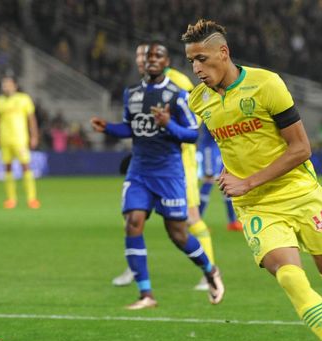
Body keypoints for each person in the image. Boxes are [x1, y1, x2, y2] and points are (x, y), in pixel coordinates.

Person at [182, 19, 322, 341]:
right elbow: (181, 134)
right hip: (257, 207)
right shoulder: (199, 100)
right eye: (191, 61)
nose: (196, 68)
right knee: (290, 277)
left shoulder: (267, 84)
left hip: (299, 193)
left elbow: (301, 147)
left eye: (202, 58)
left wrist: (248, 181)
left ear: (223, 53)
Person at [91, 41, 224, 310]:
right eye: (147, 56)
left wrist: (168, 123)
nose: (151, 60)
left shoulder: (178, 94)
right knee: (133, 222)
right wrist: (109, 128)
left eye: (158, 56)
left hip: (169, 172)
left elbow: (191, 134)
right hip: (139, 170)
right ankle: (146, 294)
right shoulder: (132, 93)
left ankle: (210, 270)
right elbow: (132, 128)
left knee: (177, 233)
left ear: (166, 63)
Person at [0, 76, 41, 209]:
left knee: (26, 166)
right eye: (4, 84)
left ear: (15, 86)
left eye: (8, 84)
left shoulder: (24, 99)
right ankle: (11, 199)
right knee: (7, 168)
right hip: (4, 140)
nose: (6, 87)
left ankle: (32, 199)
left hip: (20, 139)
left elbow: (31, 119)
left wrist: (34, 135)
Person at [198, 124, 243, 231]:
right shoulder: (210, 111)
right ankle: (197, 221)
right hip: (209, 149)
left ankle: (232, 222)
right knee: (208, 181)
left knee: (226, 180)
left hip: (221, 149)